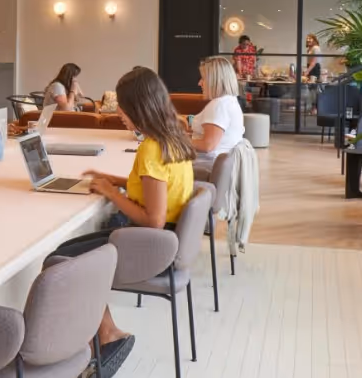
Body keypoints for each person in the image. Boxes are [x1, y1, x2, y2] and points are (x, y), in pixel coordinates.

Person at [47, 67, 196, 377]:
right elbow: (154, 187)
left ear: (139, 107)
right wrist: (112, 181)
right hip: (167, 241)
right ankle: (103, 334)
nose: (119, 114)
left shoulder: (151, 149)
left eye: (123, 108)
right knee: (70, 254)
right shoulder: (173, 138)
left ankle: (102, 338)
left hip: (149, 245)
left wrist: (112, 194)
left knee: (60, 262)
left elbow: (153, 220)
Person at [190, 56, 245, 171]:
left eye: (203, 78)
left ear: (215, 80)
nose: (199, 83)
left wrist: (178, 140)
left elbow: (208, 145)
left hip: (204, 166)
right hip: (216, 165)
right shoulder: (231, 101)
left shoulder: (218, 105)